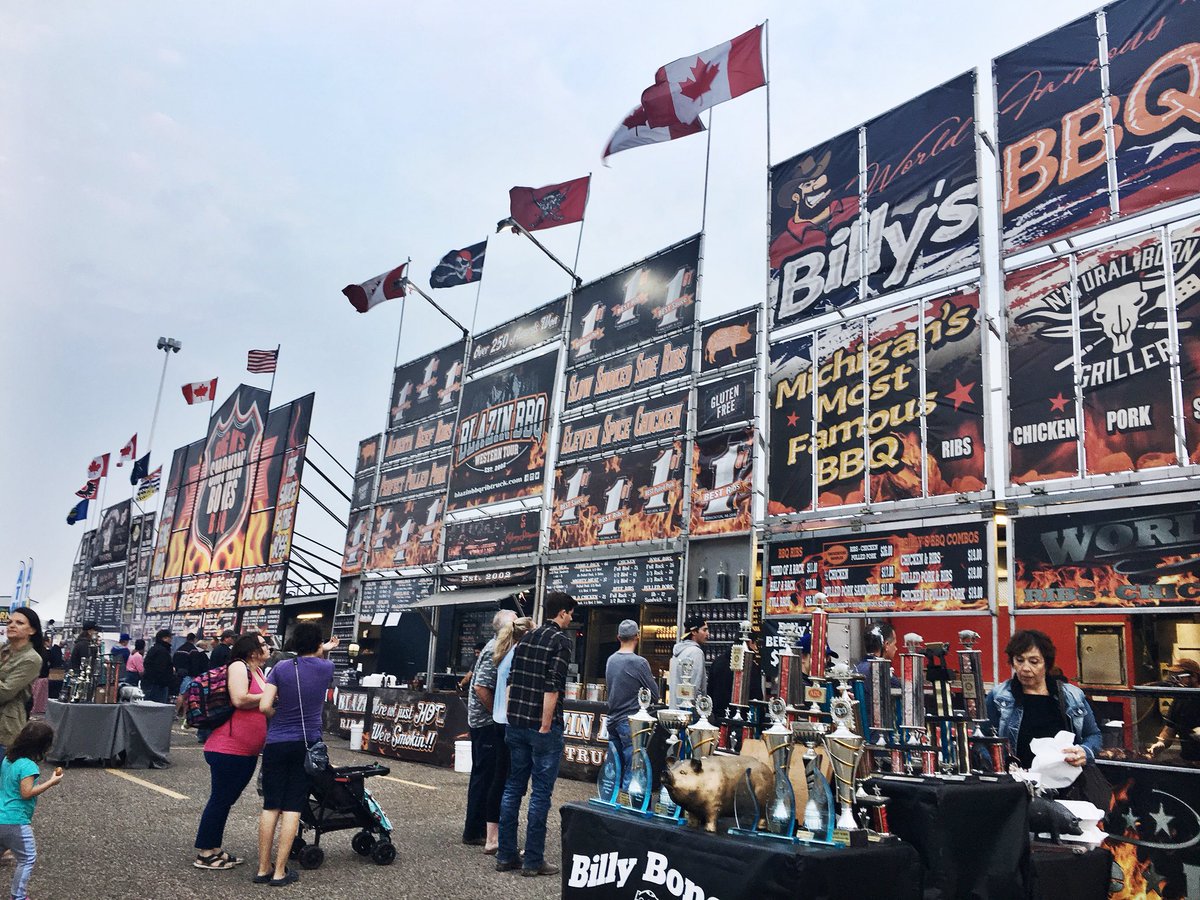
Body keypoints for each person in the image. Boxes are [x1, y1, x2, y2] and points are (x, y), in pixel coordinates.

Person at [496, 592, 576, 878]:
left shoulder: (526, 638)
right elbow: (553, 685)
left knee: (512, 788)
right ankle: (533, 860)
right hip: (541, 727)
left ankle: (506, 855)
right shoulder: (561, 641)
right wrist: (545, 724)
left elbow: (510, 679)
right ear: (563, 613)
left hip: (516, 723)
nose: (571, 619)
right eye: (570, 614)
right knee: (540, 793)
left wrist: (510, 715)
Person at [254, 623, 338, 888]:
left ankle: (263, 868)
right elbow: (318, 659)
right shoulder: (327, 668)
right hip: (306, 743)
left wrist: (277, 717)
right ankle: (280, 871)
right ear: (318, 644)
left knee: (271, 806)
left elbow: (264, 706)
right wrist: (325, 648)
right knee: (292, 807)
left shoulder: (280, 668)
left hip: (276, 742)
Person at [193, 633, 271, 871]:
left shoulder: (258, 672)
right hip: (228, 748)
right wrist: (271, 694)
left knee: (226, 800)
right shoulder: (238, 666)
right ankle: (205, 853)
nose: (268, 647)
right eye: (264, 644)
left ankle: (215, 849)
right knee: (220, 799)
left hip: (246, 751)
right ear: (252, 650)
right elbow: (239, 699)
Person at [985, 629, 1102, 770]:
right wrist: (996, 767)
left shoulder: (1072, 696)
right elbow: (982, 741)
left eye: (1034, 662)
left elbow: (1093, 735)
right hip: (1017, 780)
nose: (1025, 668)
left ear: (1047, 664)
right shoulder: (999, 697)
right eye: (1019, 660)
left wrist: (1084, 751)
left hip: (1066, 780)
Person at [462, 611, 515, 849]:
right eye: (514, 622)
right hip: (485, 724)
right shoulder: (495, 648)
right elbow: (481, 687)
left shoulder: (500, 647)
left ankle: (482, 828)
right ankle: (474, 831)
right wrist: (497, 712)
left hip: (484, 721)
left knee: (488, 775)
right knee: (485, 777)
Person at [486, 616, 534, 855]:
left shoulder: (505, 653)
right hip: (510, 723)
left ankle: (492, 837)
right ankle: (504, 841)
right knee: (512, 784)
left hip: (498, 720)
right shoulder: (519, 656)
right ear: (527, 635)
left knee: (500, 779)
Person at [0, 721, 64, 900]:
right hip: (15, 820)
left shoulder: (8, 759)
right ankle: (18, 896)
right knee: (27, 858)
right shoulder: (28, 766)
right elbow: (26, 792)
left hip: (1, 814)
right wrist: (51, 782)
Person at [605, 620, 659, 791]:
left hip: (612, 718)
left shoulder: (611, 659)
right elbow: (655, 694)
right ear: (637, 636)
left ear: (618, 637)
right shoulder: (639, 663)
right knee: (633, 765)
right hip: (630, 721)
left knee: (614, 767)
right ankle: (626, 802)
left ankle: (611, 799)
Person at [0, 609, 45, 754]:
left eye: (19, 623)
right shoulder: (3, 650)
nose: (12, 625)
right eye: (9, 622)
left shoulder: (31, 659)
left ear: (32, 630)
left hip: (5, 726)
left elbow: (5, 692)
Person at [1149, 658, 1200, 762]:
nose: (1176, 681)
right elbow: (1169, 730)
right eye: (1174, 677)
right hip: (1189, 760)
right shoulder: (1179, 700)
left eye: (1179, 677)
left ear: (1194, 677)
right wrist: (1161, 743)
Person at [707, 629, 761, 720]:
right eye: (755, 643)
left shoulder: (717, 662)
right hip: (743, 719)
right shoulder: (751, 666)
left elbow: (710, 690)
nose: (755, 647)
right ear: (750, 642)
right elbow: (756, 696)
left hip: (718, 716)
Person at [855, 622, 899, 708]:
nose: (896, 648)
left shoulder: (857, 669)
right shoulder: (881, 672)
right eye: (894, 644)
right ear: (886, 645)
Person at [668, 615, 708, 706]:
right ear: (694, 632)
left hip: (674, 706)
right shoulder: (696, 652)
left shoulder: (678, 652)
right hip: (688, 709)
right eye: (704, 630)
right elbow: (694, 686)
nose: (707, 634)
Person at [141, 630, 175, 704]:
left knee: (148, 705)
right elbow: (161, 668)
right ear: (164, 638)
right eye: (170, 637)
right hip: (158, 686)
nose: (171, 640)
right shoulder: (162, 651)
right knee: (158, 707)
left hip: (150, 683)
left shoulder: (154, 649)